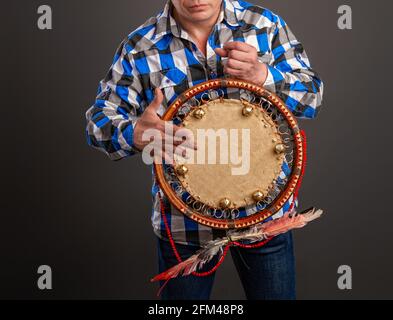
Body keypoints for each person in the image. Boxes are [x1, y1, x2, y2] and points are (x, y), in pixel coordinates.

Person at [85, 0, 323, 300]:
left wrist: (264, 77)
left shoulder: (264, 25)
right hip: (183, 223)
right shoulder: (140, 47)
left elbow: (313, 95)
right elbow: (98, 124)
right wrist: (134, 133)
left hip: (267, 217)